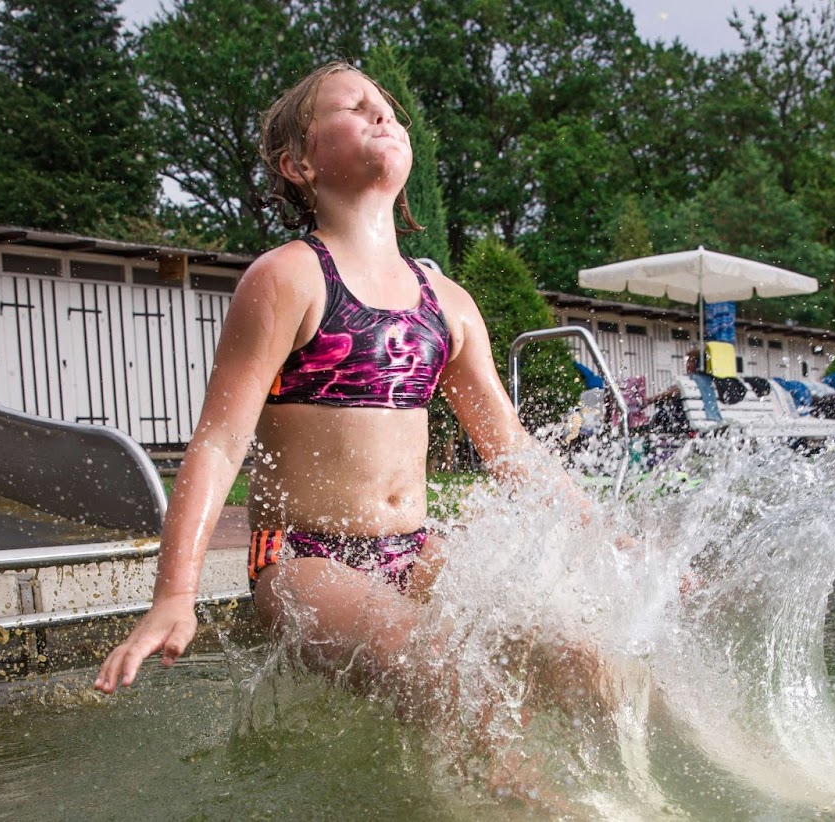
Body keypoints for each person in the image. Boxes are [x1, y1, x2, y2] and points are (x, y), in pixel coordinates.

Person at [94, 64, 606, 774]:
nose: (381, 115)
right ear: (298, 162)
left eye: (387, 109)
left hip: (416, 550)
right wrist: (173, 595)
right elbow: (217, 444)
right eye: (355, 107)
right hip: (307, 559)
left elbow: (510, 449)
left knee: (587, 662)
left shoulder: (447, 302)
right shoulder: (288, 278)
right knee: (449, 680)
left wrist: (613, 547)